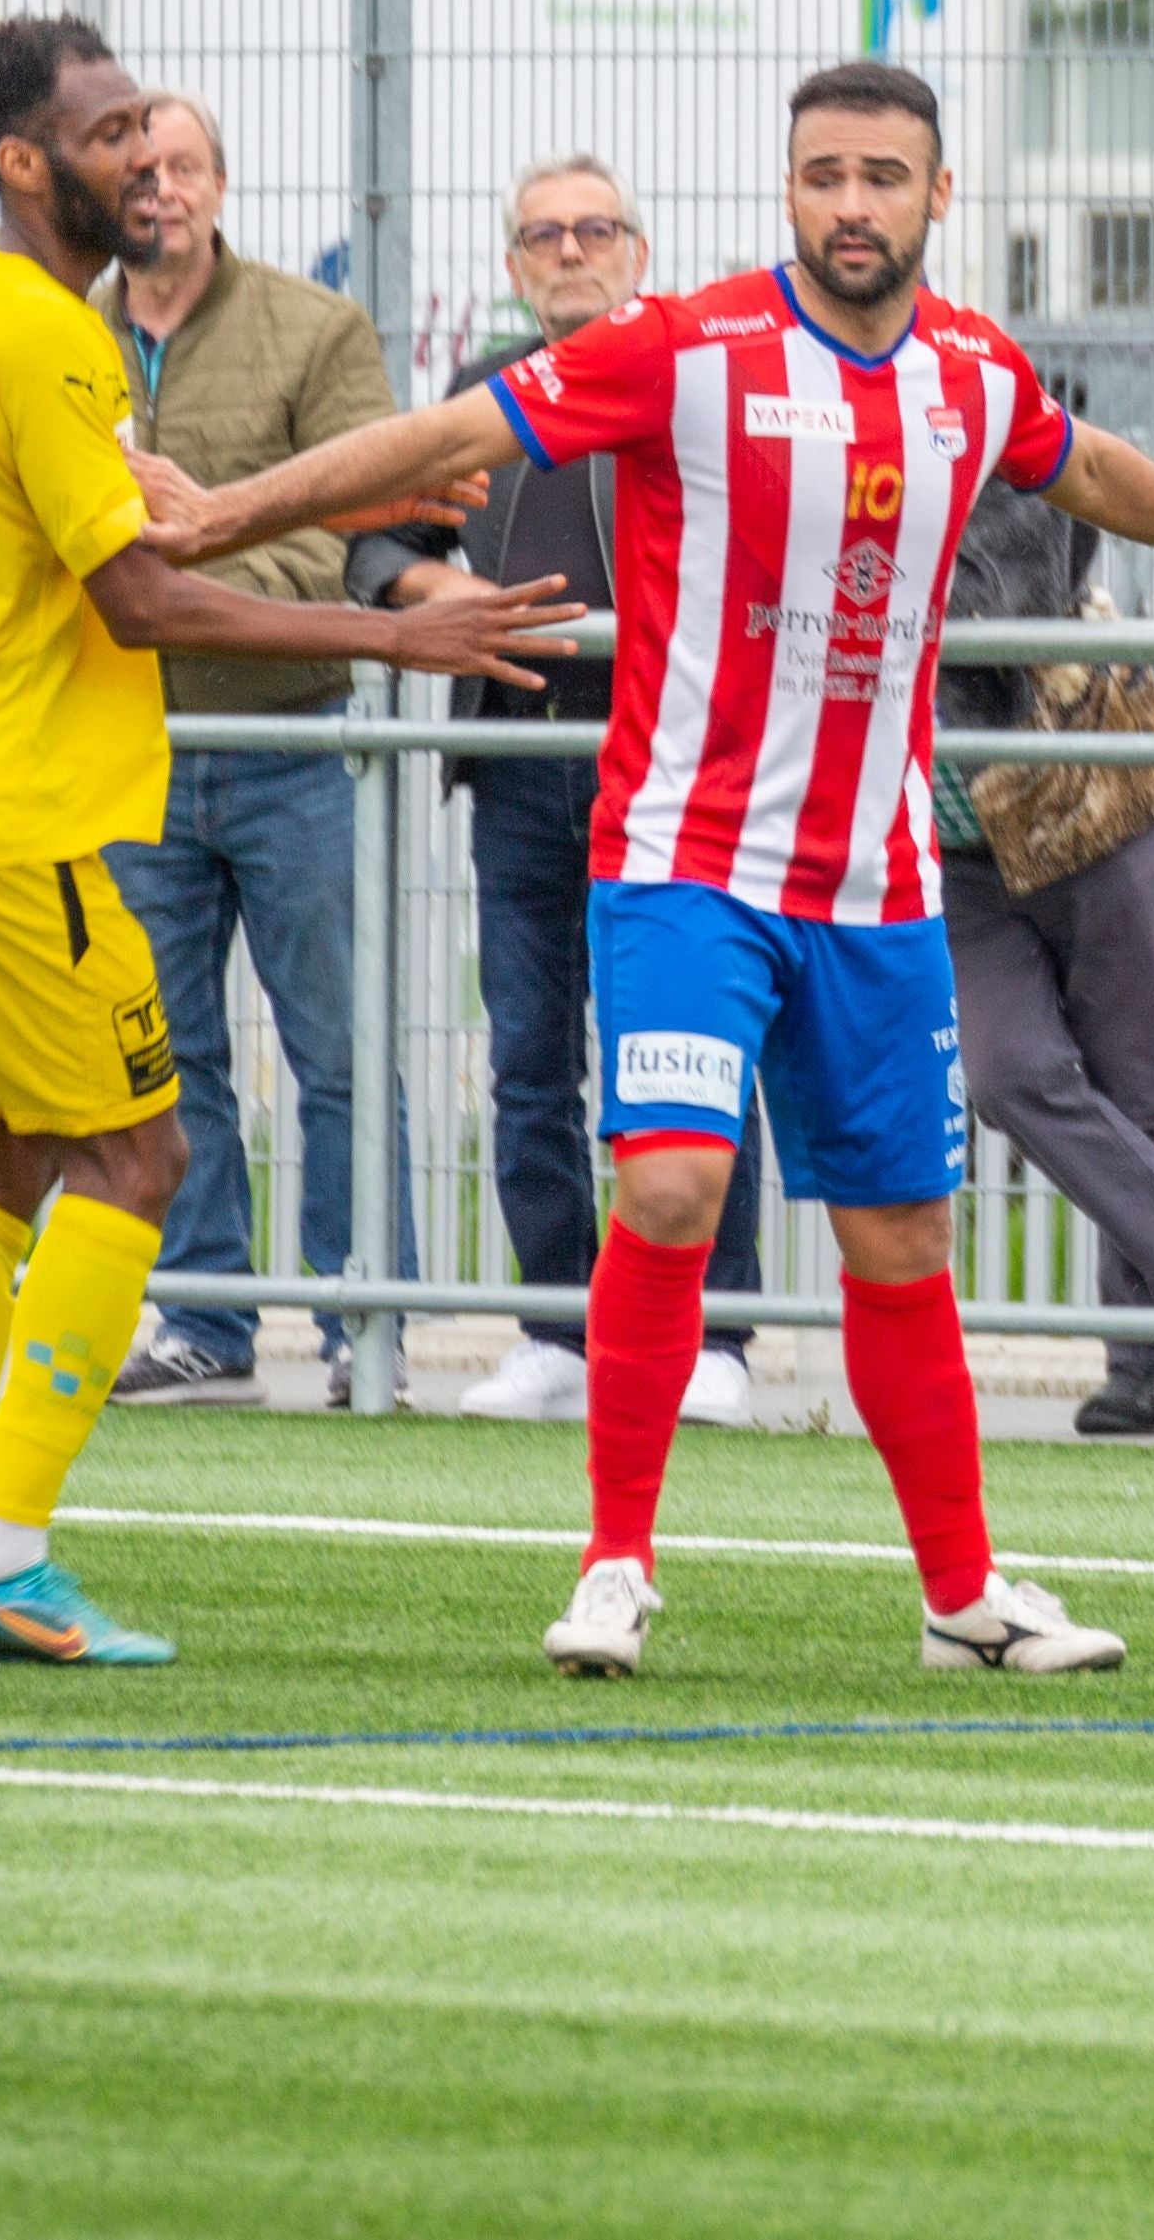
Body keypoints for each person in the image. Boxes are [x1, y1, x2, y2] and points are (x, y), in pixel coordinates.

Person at [137, 60, 1154, 1680]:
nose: (852, 203)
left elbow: (1081, 462)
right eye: (823, 175)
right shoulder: (688, 346)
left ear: (939, 196)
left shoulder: (970, 368)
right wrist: (223, 510)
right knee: (667, 1180)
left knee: (899, 1244)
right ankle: (612, 1560)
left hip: (874, 888)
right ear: (787, 190)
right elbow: (446, 429)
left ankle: (961, 1594)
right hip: (685, 860)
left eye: (884, 175)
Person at [0, 17, 571, 1666]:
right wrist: (398, 640)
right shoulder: (57, 338)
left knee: (2, 1160)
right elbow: (141, 594)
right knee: (140, 1161)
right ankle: (1, 1554)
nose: (150, 164)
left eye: (159, 136)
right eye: (110, 138)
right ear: (26, 162)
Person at [350, 155, 767, 1430]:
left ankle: (717, 1338)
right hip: (521, 776)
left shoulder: (703, 388)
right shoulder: (483, 401)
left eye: (595, 230)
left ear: (639, 250)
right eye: (543, 235)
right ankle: (555, 1325)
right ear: (517, 263)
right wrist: (441, 597)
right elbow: (378, 540)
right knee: (529, 1063)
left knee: (689, 1062)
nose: (570, 251)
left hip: (677, 783)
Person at [91, 91, 410, 1409]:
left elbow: (349, 528)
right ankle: (204, 1317)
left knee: (334, 1041)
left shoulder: (315, 329)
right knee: (166, 1051)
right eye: (136, 167)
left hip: (292, 742)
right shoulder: (61, 333)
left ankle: (359, 1320)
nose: (158, 186)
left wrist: (179, 555)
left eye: (182, 164)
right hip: (127, 749)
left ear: (223, 183)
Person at [934, 467, 1154, 1439]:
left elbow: (1010, 596)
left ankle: (1146, 1372)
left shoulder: (988, 432)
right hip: (953, 843)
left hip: (1089, 798)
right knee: (1007, 1072)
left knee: (1144, 1083)